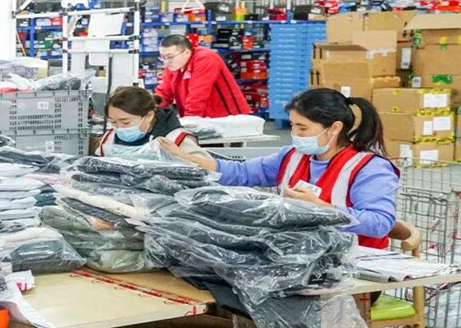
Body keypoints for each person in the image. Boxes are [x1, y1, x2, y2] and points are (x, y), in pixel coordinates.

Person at [160, 88, 399, 248]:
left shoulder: (370, 168)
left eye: (302, 128)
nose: (295, 134)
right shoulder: (293, 157)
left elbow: (379, 223)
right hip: (301, 255)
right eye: (292, 126)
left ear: (335, 128)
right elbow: (240, 173)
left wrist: (322, 208)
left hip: (355, 266)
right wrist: (184, 157)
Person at [96, 86, 210, 160]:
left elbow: (209, 169)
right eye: (113, 122)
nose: (119, 128)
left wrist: (180, 155)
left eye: (125, 122)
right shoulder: (110, 139)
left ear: (149, 116)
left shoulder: (175, 139)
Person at [154, 35, 251, 118]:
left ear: (186, 53)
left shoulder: (205, 59)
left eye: (170, 57)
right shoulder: (174, 65)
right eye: (163, 57)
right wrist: (150, 107)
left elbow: (197, 95)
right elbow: (164, 93)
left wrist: (189, 121)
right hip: (202, 119)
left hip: (228, 119)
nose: (166, 62)